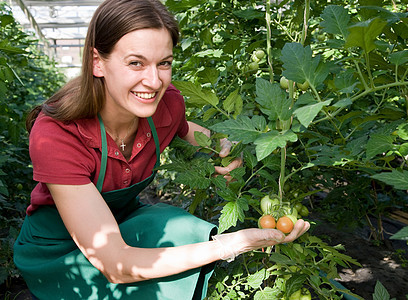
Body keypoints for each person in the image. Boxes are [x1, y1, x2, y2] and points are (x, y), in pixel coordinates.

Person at [13, 0, 310, 299]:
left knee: (176, 227)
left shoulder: (165, 105)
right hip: (60, 254)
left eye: (164, 63)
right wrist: (230, 245)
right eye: (135, 63)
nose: (154, 81)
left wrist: (225, 145)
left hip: (122, 226)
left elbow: (184, 127)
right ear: (97, 62)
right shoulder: (58, 135)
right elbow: (115, 264)